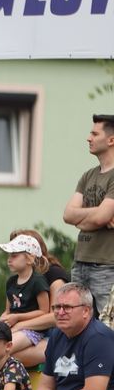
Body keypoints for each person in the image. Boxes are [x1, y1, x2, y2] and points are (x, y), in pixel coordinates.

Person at [62, 115, 114, 313]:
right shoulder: (88, 175)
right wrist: (98, 215)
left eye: (94, 133)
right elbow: (67, 214)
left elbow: (100, 217)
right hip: (80, 261)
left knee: (107, 326)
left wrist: (83, 217)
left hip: (107, 266)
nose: (88, 138)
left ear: (111, 140)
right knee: (77, 324)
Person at [0, 234, 51, 357]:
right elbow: (8, 311)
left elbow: (44, 312)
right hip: (14, 327)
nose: (9, 259)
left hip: (33, 330)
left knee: (4, 348)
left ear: (29, 259)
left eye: (14, 256)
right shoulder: (11, 282)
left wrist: (18, 317)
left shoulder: (38, 281)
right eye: (9, 256)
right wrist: (1, 320)